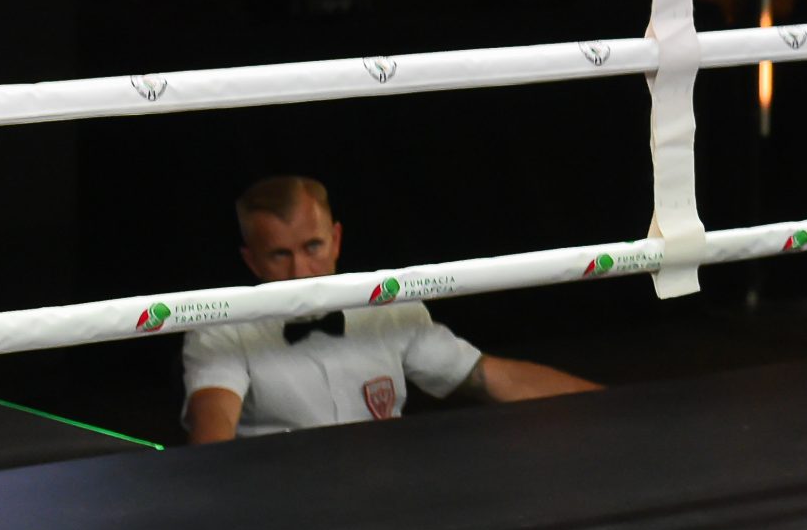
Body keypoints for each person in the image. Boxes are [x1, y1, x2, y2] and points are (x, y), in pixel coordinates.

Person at [180, 176, 599, 442]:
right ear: (252, 260)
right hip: (285, 506)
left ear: (336, 240)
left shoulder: (385, 308)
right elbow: (213, 430)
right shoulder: (222, 328)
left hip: (388, 498)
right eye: (279, 255)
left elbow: (487, 377)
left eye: (313, 247)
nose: (301, 271)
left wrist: (614, 406)